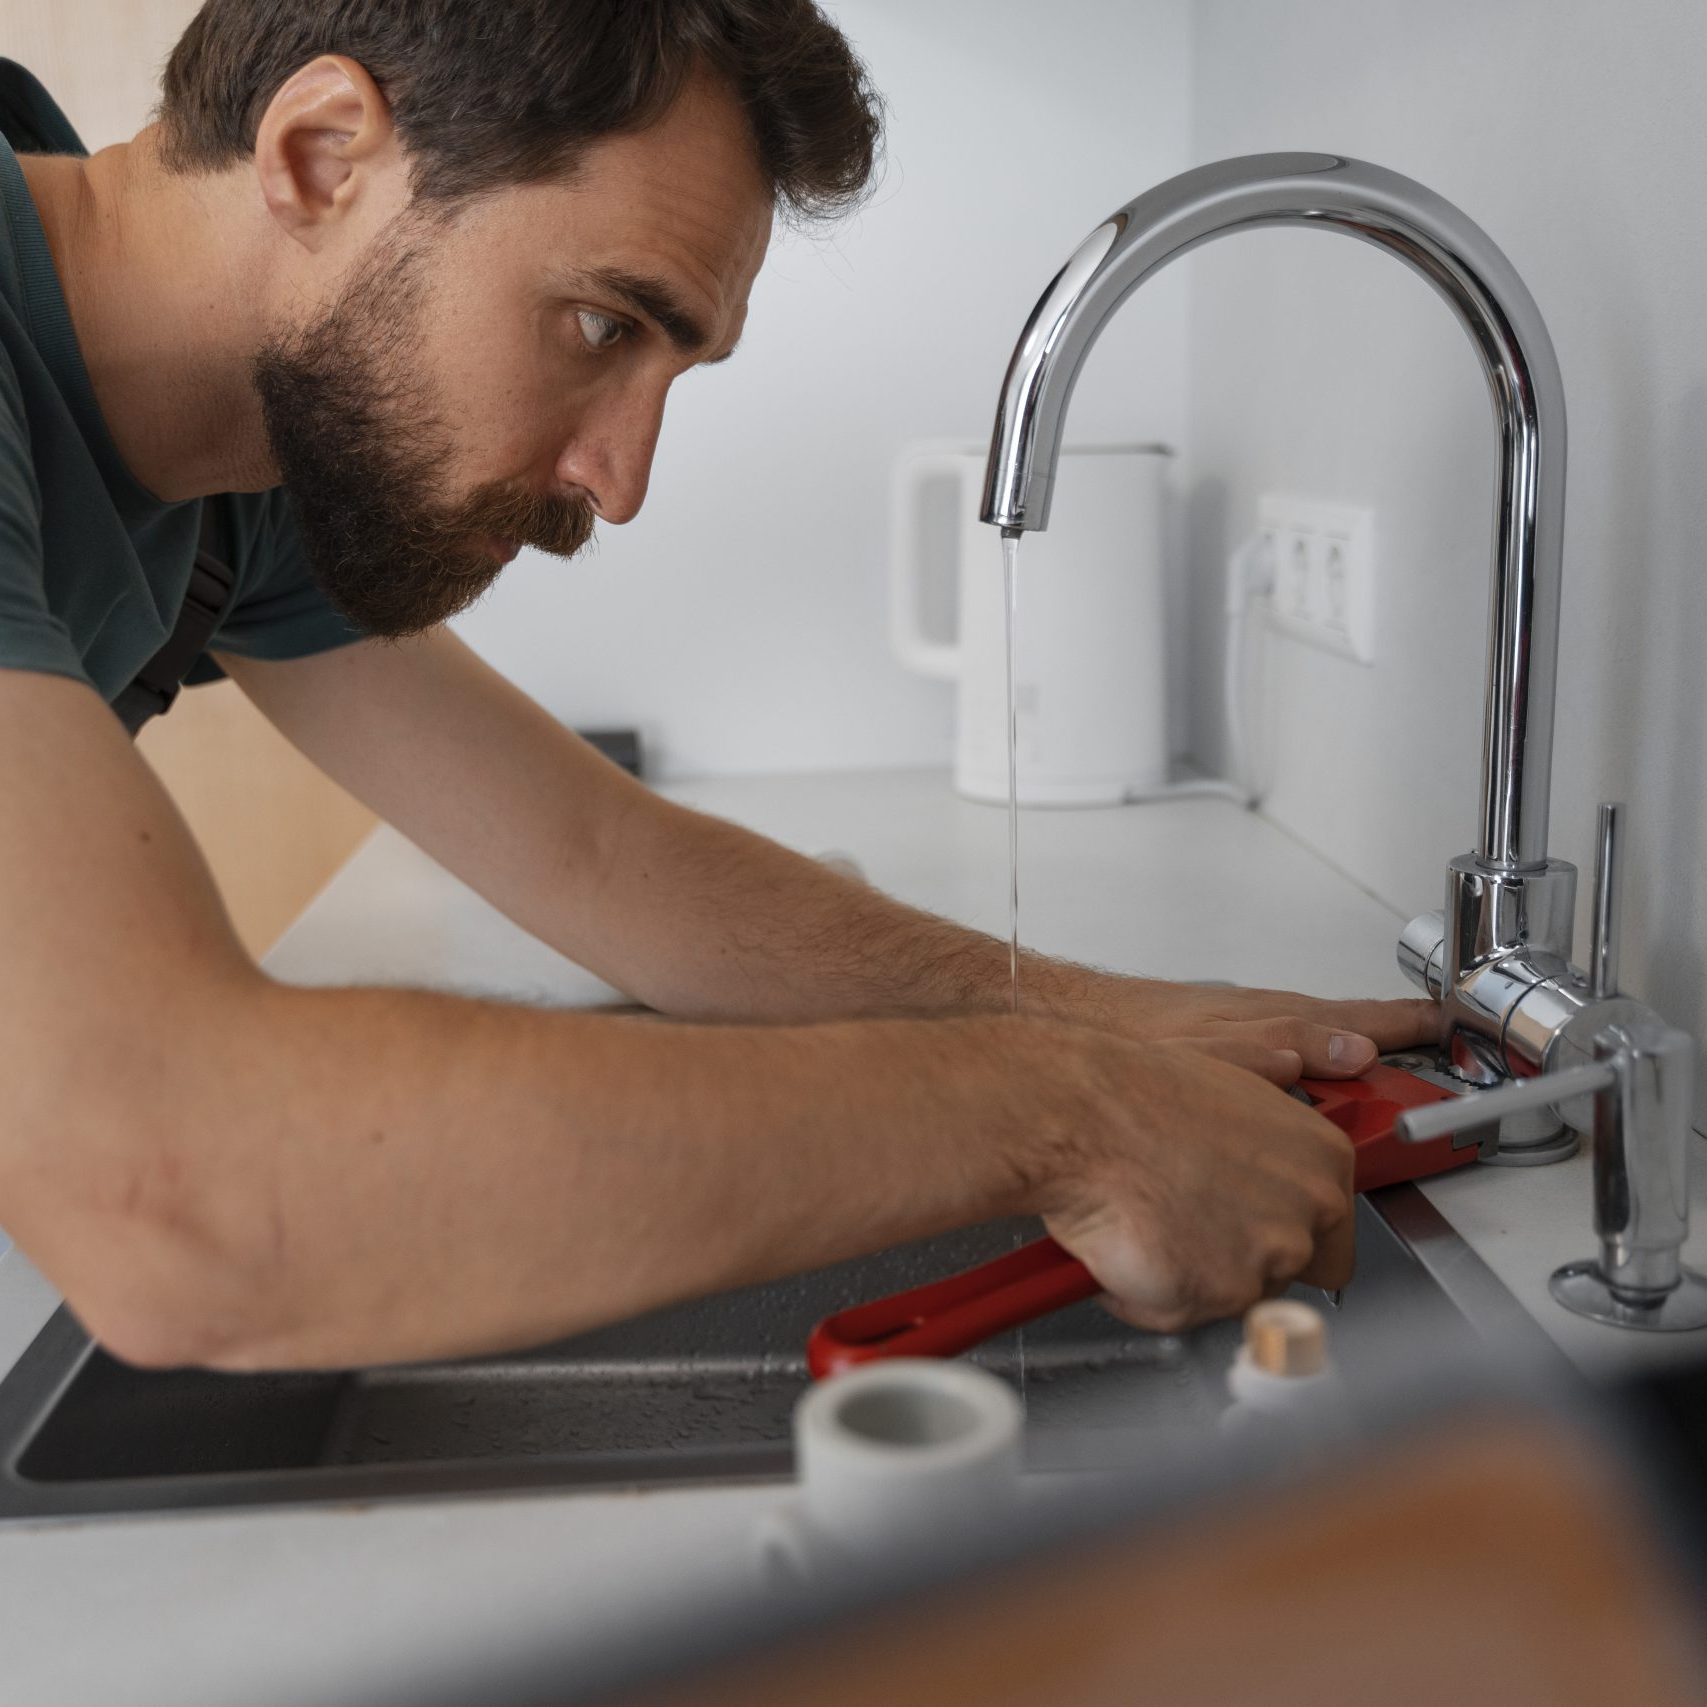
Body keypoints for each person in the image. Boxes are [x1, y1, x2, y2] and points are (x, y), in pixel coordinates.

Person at [0, 0, 1436, 1373]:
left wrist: (1082, 1015)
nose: (619, 485)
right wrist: (1060, 1112)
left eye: (670, 364)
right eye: (598, 326)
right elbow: (172, 1181)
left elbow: (598, 855)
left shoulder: (240, 465)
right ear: (322, 156)